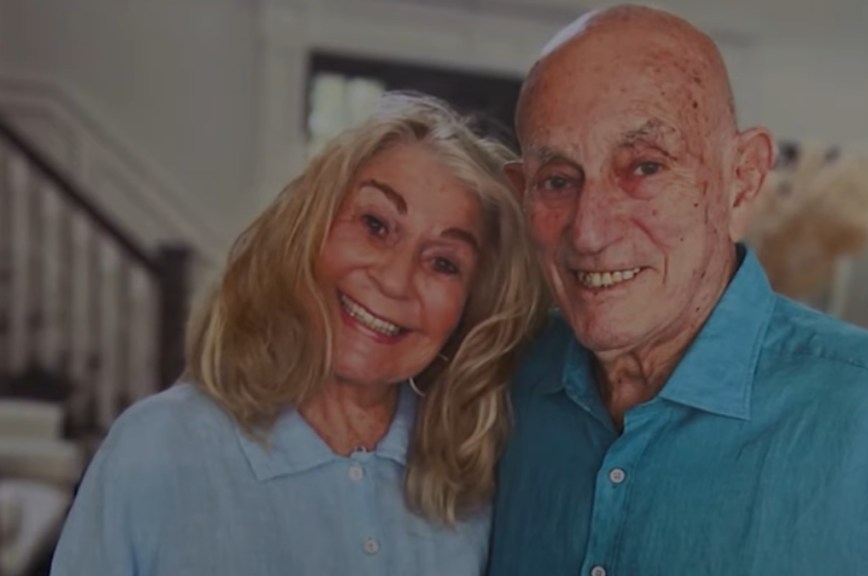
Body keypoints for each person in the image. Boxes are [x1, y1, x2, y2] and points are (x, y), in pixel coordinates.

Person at [488, 6, 868, 576]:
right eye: (558, 180)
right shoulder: (500, 383)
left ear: (741, 181)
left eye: (644, 167)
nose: (589, 231)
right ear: (523, 195)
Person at [50, 92, 546, 576]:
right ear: (307, 233)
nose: (394, 279)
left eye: (444, 262)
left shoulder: (475, 480)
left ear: (469, 308)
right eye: (375, 224)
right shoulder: (156, 447)